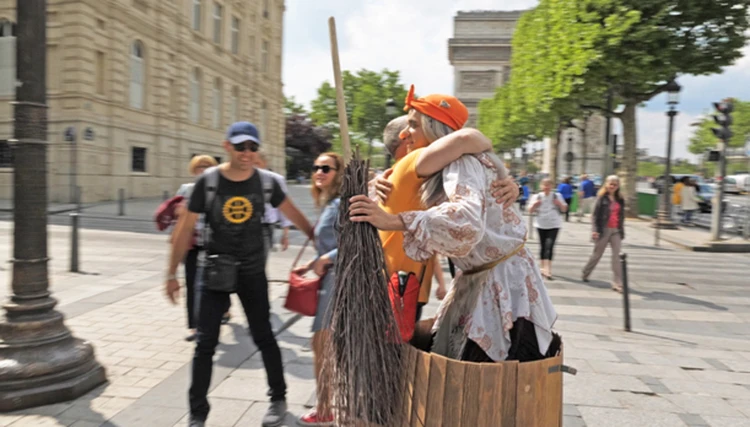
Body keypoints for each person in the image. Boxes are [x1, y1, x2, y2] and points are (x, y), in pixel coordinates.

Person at [349, 86, 558, 363]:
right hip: (483, 279)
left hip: (498, 284)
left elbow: (466, 223)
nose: (405, 133)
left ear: (435, 130)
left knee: (485, 382)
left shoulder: (460, 164)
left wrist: (395, 221)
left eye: (413, 124)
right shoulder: (442, 166)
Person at [166, 121, 314, 427]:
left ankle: (278, 398)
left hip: (251, 272)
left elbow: (294, 214)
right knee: (205, 344)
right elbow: (184, 229)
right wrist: (171, 273)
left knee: (264, 336)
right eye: (241, 146)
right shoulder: (208, 182)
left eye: (252, 147)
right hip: (215, 271)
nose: (247, 153)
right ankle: (197, 414)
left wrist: (321, 241)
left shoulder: (267, 183)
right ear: (227, 146)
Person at [296, 152, 342, 427]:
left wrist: (327, 258)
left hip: (337, 281)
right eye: (315, 167)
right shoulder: (328, 203)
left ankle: (325, 409)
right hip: (329, 279)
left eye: (326, 168)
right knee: (323, 346)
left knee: (322, 346)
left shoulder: (340, 203)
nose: (319, 172)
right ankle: (326, 405)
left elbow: (359, 240)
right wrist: (313, 262)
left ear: (339, 173)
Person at [175, 155, 219, 342]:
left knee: (217, 285)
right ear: (193, 170)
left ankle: (217, 317)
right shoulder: (187, 189)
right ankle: (194, 327)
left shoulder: (221, 189)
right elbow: (176, 212)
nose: (203, 169)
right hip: (192, 244)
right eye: (200, 166)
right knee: (192, 285)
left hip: (215, 244)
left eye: (208, 166)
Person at [582, 175, 625, 292]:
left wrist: (622, 231)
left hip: (616, 230)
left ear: (618, 186)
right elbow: (595, 215)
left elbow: (621, 216)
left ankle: (617, 282)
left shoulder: (620, 199)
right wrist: (594, 230)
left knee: (617, 256)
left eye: (615, 184)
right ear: (606, 184)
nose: (612, 186)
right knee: (597, 255)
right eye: (611, 184)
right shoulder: (601, 198)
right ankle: (586, 272)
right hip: (603, 229)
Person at [254, 151, 291, 259]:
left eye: (257, 163)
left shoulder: (276, 179)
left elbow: (284, 207)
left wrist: (285, 234)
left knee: (260, 262)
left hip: (265, 226)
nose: (254, 167)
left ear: (264, 163)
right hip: (242, 226)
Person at [529, 178, 567, 280]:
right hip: (541, 224)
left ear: (552, 186)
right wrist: (534, 205)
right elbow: (530, 210)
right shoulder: (536, 196)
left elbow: (564, 209)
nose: (547, 187)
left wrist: (559, 203)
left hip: (554, 224)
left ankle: (548, 269)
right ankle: (542, 267)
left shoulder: (557, 196)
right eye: (545, 185)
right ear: (541, 186)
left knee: (549, 246)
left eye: (549, 185)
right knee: (542, 246)